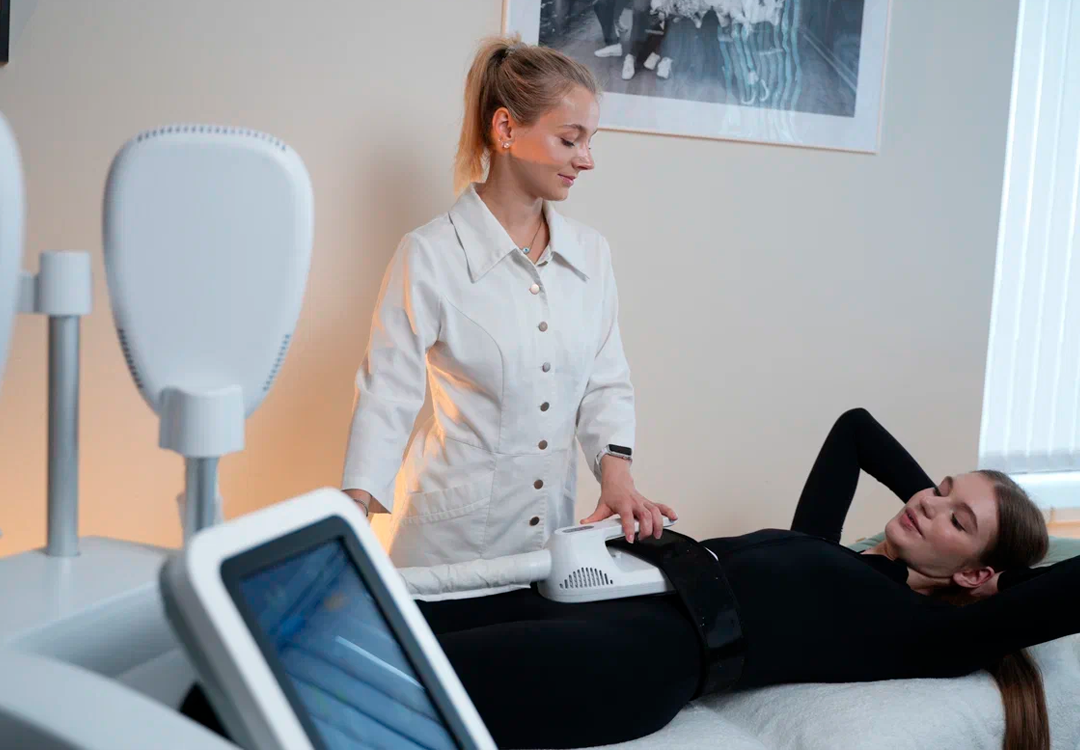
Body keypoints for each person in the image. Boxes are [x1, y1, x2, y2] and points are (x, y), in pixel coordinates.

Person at [418, 408, 1066, 750]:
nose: (927, 502)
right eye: (940, 488)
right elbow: (855, 430)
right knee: (388, 626)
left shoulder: (922, 632)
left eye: (958, 519)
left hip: (627, 659)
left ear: (979, 573)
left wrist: (1003, 585)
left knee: (409, 685)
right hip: (599, 597)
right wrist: (937, 511)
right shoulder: (826, 548)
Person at [340, 37, 677, 582]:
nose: (586, 159)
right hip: (443, 548)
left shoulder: (591, 254)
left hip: (549, 542)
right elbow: (388, 394)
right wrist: (348, 523)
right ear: (505, 129)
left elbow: (605, 382)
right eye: (570, 139)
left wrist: (617, 480)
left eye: (590, 141)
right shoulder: (429, 254)